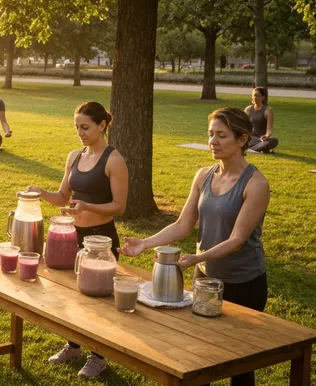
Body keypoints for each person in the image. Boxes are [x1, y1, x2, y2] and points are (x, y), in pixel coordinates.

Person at [120, 107, 269, 386]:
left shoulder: (256, 184)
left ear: (242, 139)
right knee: (201, 353)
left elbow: (237, 240)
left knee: (240, 360)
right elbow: (182, 224)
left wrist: (198, 256)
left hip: (244, 282)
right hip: (205, 278)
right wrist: (145, 243)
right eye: (211, 134)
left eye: (222, 135)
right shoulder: (203, 175)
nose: (213, 141)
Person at [25, 101, 128, 378]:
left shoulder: (114, 160)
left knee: (98, 301)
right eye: (76, 127)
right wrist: (40, 192)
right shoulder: (74, 156)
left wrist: (88, 207)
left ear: (102, 125)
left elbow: (119, 206)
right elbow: (62, 197)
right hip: (71, 236)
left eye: (85, 127)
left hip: (100, 239)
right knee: (69, 293)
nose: (80, 132)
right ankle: (73, 345)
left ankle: (99, 357)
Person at [244, 87, 279, 153]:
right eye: (254, 95)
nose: (255, 98)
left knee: (274, 140)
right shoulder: (248, 109)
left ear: (263, 97)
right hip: (250, 138)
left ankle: (250, 150)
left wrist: (266, 136)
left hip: (261, 139)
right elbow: (243, 125)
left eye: (257, 96)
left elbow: (269, 130)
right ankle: (261, 149)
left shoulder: (268, 110)